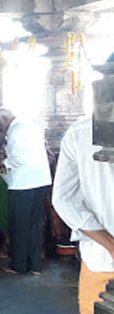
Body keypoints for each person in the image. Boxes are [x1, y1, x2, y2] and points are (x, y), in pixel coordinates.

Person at [52, 118, 114, 314]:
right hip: (102, 262)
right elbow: (63, 200)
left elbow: (64, 199)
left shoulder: (81, 132)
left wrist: (110, 245)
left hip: (102, 258)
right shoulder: (80, 133)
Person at [0, 107, 52, 275]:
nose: (0, 129)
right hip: (40, 181)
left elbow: (18, 159)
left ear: (3, 120)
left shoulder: (15, 130)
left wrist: (3, 163)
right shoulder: (32, 125)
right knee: (35, 225)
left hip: (22, 184)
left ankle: (18, 265)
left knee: (19, 226)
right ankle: (35, 266)